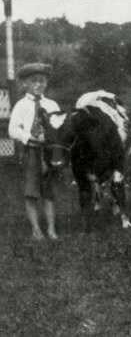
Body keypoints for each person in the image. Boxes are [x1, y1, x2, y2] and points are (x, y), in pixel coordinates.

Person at [8, 62, 60, 241]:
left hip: (48, 153)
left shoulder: (52, 105)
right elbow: (13, 129)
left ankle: (52, 229)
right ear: (25, 84)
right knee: (31, 192)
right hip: (30, 152)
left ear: (46, 83)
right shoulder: (21, 106)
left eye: (42, 81)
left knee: (49, 191)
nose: (38, 84)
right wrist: (30, 138)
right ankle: (36, 230)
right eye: (34, 81)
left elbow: (58, 126)